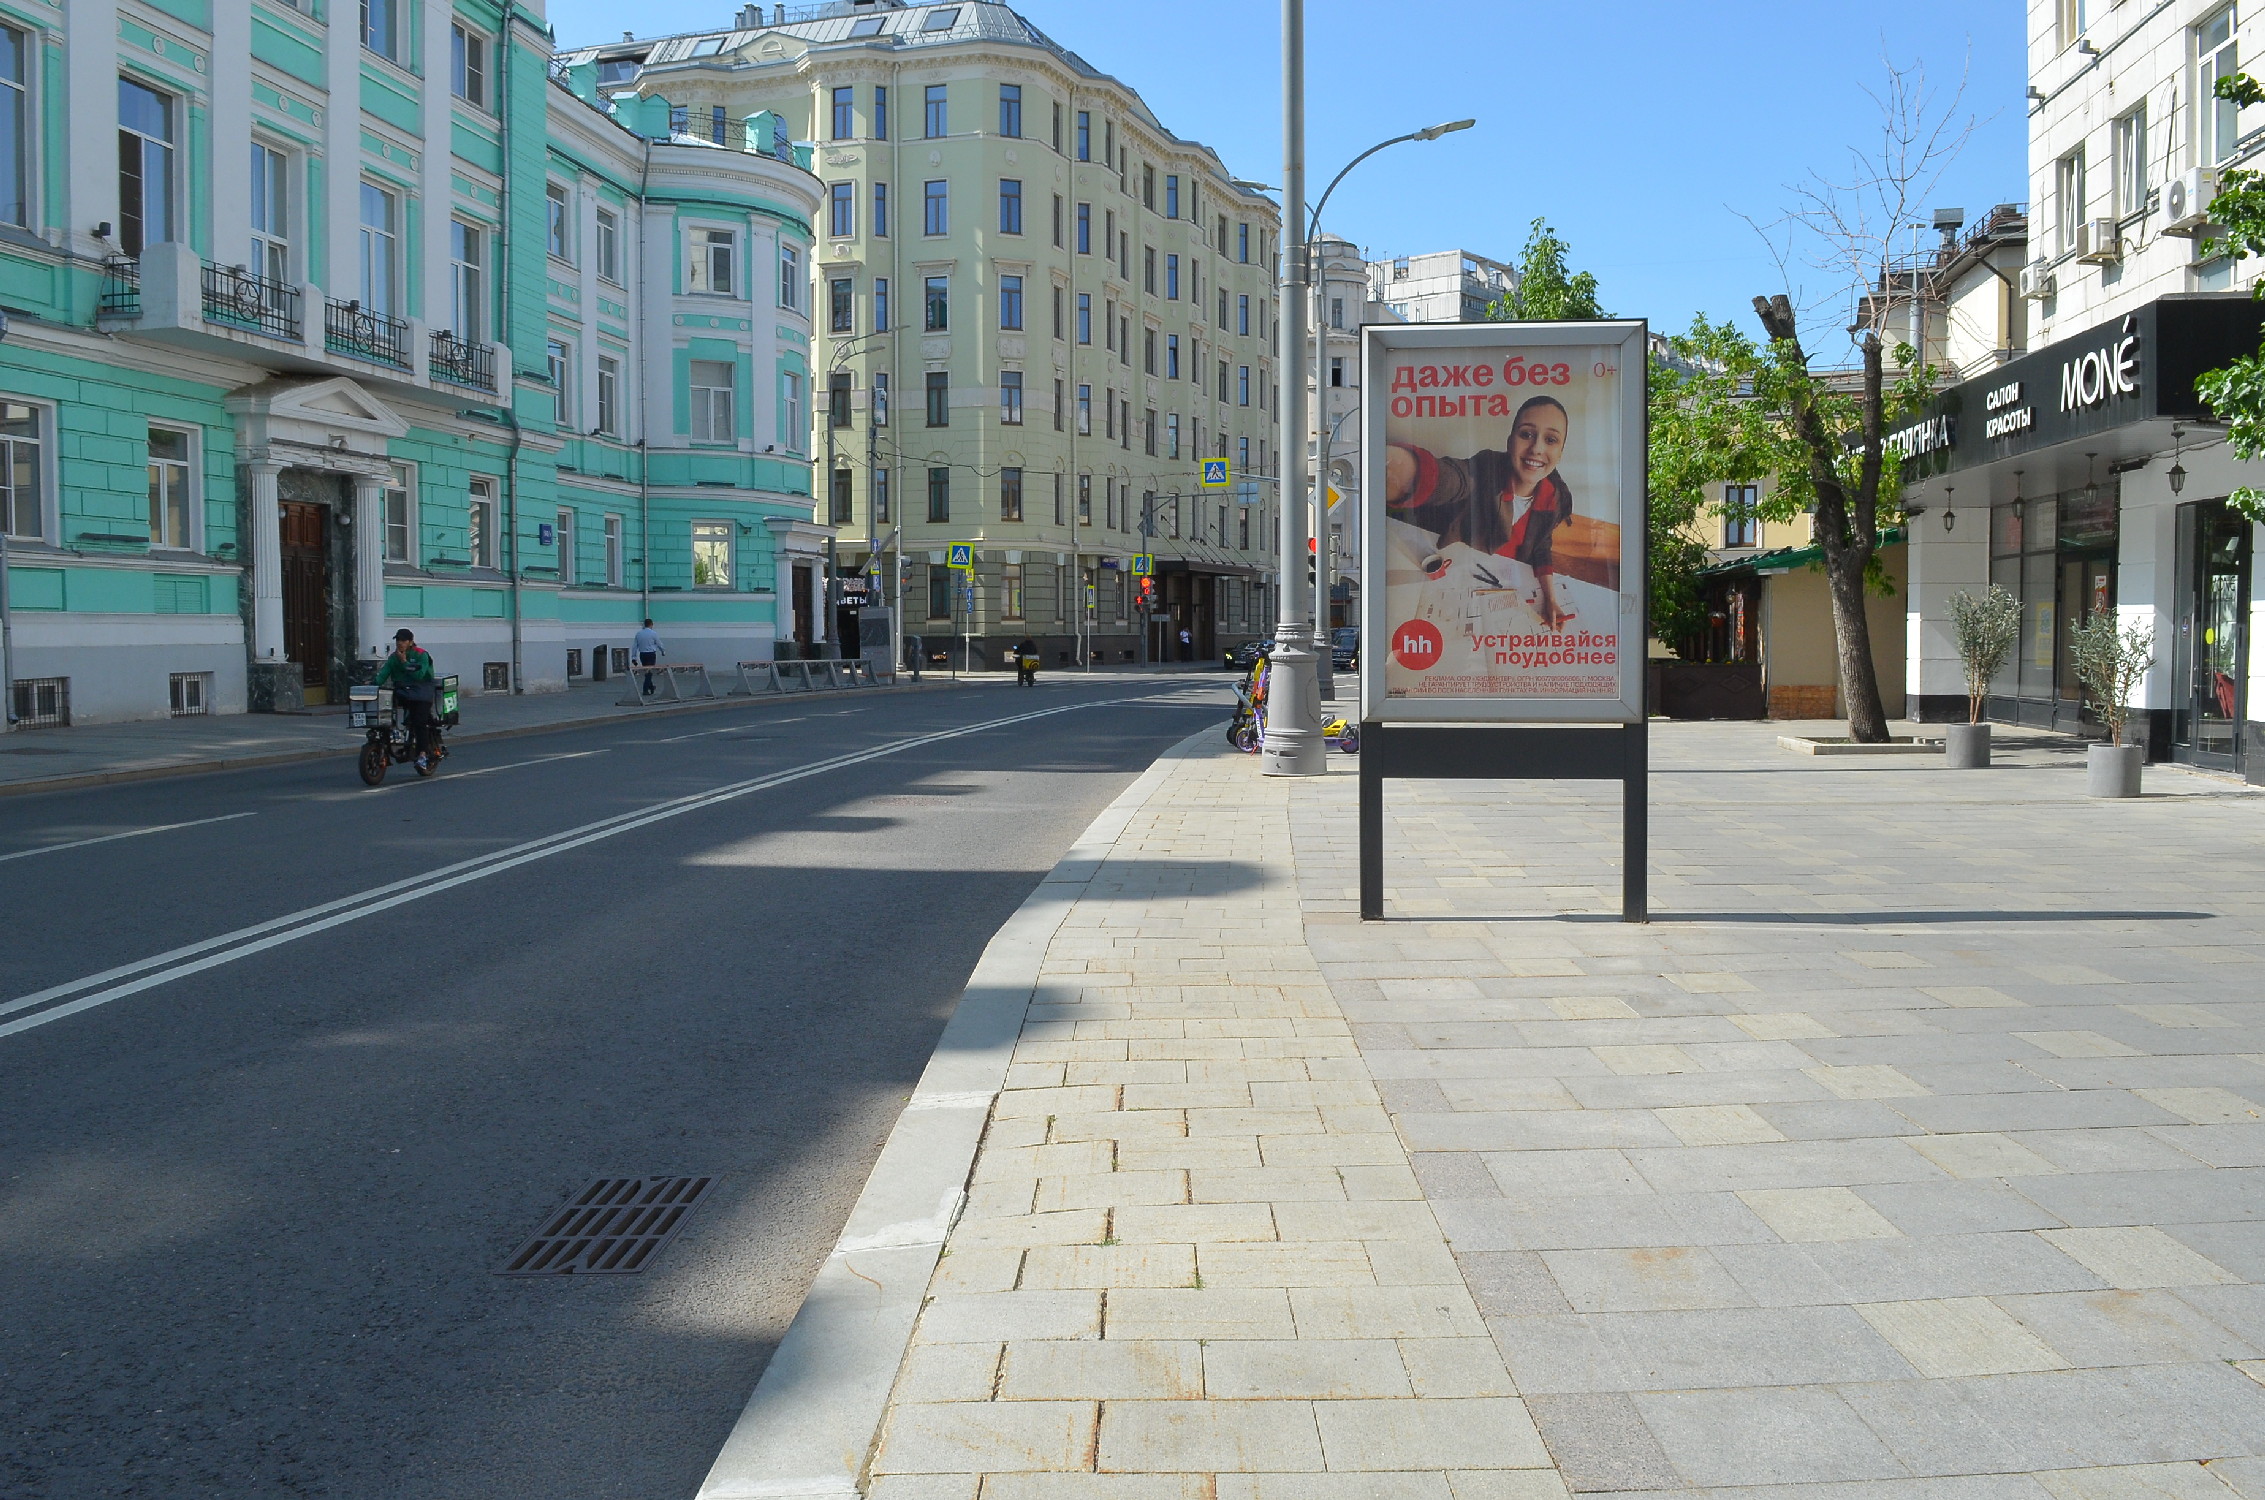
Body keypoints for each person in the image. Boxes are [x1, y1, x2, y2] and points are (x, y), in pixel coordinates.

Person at [1383, 394, 1576, 629]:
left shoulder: (1555, 496)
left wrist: (1550, 598)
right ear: (1510, 441)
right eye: (1526, 434)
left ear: (1561, 452)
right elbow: (1453, 478)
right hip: (1463, 579)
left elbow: (1541, 545)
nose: (1537, 448)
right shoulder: (1486, 469)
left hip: (1510, 590)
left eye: (1551, 439)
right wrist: (1405, 472)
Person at [374, 628, 441, 771]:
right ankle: (392, 738)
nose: (400, 643)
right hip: (403, 691)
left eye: (403, 640)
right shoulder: (393, 657)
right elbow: (384, 674)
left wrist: (404, 662)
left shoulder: (421, 654)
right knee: (385, 708)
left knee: (419, 722)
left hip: (421, 691)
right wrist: (372, 684)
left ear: (410, 642)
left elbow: (419, 675)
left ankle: (422, 756)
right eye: (398, 640)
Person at [632, 618, 665, 695]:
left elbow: (635, 646)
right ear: (651, 624)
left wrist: (634, 657)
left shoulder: (639, 634)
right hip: (651, 654)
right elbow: (659, 643)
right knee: (649, 672)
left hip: (642, 654)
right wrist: (663, 651)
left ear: (644, 624)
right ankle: (645, 689)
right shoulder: (653, 633)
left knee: (647, 671)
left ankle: (651, 686)